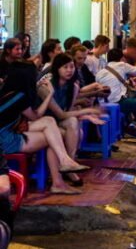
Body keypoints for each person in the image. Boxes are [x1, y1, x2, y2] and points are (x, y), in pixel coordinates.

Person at [0, 59, 90, 194]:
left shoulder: (8, 92)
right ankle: (59, 177)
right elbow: (36, 116)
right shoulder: (18, 97)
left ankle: (64, 163)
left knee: (49, 122)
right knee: (53, 136)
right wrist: (50, 95)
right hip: (5, 141)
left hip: (9, 131)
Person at [39, 54, 105, 186]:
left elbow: (67, 112)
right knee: (73, 128)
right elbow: (60, 114)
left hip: (57, 121)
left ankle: (68, 164)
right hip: (43, 121)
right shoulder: (46, 86)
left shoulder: (73, 87)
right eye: (65, 67)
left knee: (74, 123)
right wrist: (88, 111)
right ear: (57, 69)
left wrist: (84, 115)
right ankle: (67, 165)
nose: (69, 70)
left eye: (71, 67)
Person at [95, 49, 136, 136]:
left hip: (103, 103)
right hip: (118, 103)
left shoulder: (100, 72)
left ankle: (129, 125)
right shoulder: (122, 65)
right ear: (121, 58)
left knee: (130, 99)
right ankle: (134, 125)